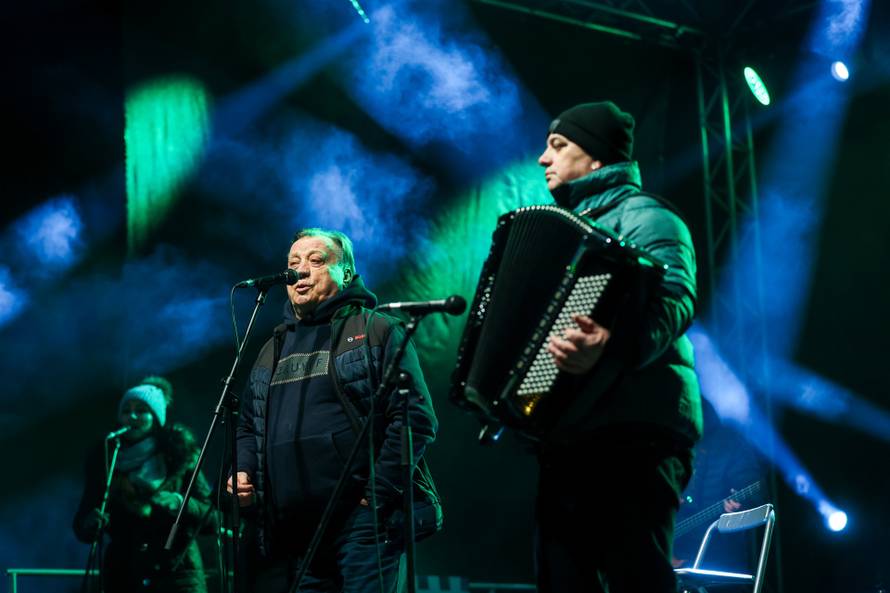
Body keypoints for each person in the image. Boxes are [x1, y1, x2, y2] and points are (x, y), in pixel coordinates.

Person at [533, 101, 703, 593]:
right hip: (572, 434)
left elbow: (675, 301)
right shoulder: (564, 230)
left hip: (637, 430)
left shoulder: (647, 216)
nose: (543, 158)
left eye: (559, 146)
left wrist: (612, 348)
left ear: (598, 159)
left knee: (636, 579)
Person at [229, 228, 441, 593]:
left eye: (316, 261)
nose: (300, 272)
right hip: (296, 531)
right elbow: (249, 425)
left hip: (361, 521)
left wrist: (378, 493)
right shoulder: (271, 349)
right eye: (293, 263)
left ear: (345, 272)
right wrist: (243, 469)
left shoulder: (377, 330)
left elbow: (415, 418)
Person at [73, 376, 214, 593]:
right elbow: (82, 521)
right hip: (124, 576)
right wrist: (90, 523)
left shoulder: (180, 456)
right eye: (126, 410)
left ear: (156, 417)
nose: (132, 416)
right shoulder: (106, 460)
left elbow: (213, 517)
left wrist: (181, 503)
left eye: (141, 410)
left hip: (177, 574)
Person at [673, 398, 764, 570]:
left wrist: (741, 504)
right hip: (679, 544)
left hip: (718, 547)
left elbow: (754, 487)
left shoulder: (729, 442)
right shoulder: (677, 444)